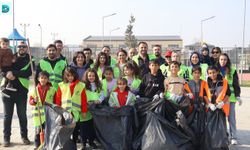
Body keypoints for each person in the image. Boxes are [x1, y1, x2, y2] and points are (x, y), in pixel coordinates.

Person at [1, 41, 33, 147]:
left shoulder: (30, 58)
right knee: (7, 116)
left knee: (22, 116)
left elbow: (28, 72)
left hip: (21, 92)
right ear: (17, 47)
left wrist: (13, 73)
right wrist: (6, 74)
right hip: (7, 91)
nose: (21, 48)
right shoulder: (10, 56)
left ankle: (24, 137)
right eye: (20, 46)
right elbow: (2, 69)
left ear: (27, 48)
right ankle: (6, 138)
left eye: (24, 46)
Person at [55, 67, 88, 149]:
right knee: (65, 131)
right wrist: (57, 111)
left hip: (75, 113)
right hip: (65, 113)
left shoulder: (81, 85)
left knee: (75, 131)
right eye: (68, 76)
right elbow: (58, 100)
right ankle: (66, 147)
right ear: (65, 76)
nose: (70, 77)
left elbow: (83, 100)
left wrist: (84, 111)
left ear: (75, 75)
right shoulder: (61, 85)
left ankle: (74, 146)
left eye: (72, 75)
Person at [204, 65, 230, 150]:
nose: (212, 75)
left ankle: (221, 145)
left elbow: (228, 94)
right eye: (210, 73)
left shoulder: (224, 81)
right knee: (210, 128)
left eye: (214, 72)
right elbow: (204, 95)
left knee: (221, 128)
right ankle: (211, 145)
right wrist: (209, 104)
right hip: (211, 109)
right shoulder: (206, 83)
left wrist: (223, 102)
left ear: (217, 72)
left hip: (220, 108)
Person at [29, 71, 56, 149]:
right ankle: (37, 146)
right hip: (38, 117)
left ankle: (48, 146)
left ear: (48, 79)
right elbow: (30, 101)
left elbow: (55, 102)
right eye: (41, 78)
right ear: (38, 79)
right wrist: (34, 101)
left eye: (45, 78)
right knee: (38, 132)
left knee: (48, 132)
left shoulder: (52, 89)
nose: (43, 80)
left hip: (49, 116)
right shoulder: (34, 90)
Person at [218, 53, 241, 145]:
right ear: (218, 60)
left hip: (230, 98)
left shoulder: (232, 70)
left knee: (231, 118)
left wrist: (238, 95)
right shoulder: (216, 70)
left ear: (227, 61)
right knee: (221, 118)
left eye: (225, 59)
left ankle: (233, 137)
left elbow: (235, 84)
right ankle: (223, 136)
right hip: (220, 99)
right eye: (221, 59)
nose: (223, 61)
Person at [82, 68, 102, 149]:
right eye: (89, 76)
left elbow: (102, 95)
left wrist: (99, 100)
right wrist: (85, 104)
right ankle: (83, 143)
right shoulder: (83, 85)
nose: (91, 77)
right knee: (84, 126)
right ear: (86, 76)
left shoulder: (98, 85)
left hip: (95, 109)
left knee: (92, 126)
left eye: (93, 76)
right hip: (85, 108)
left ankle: (91, 141)